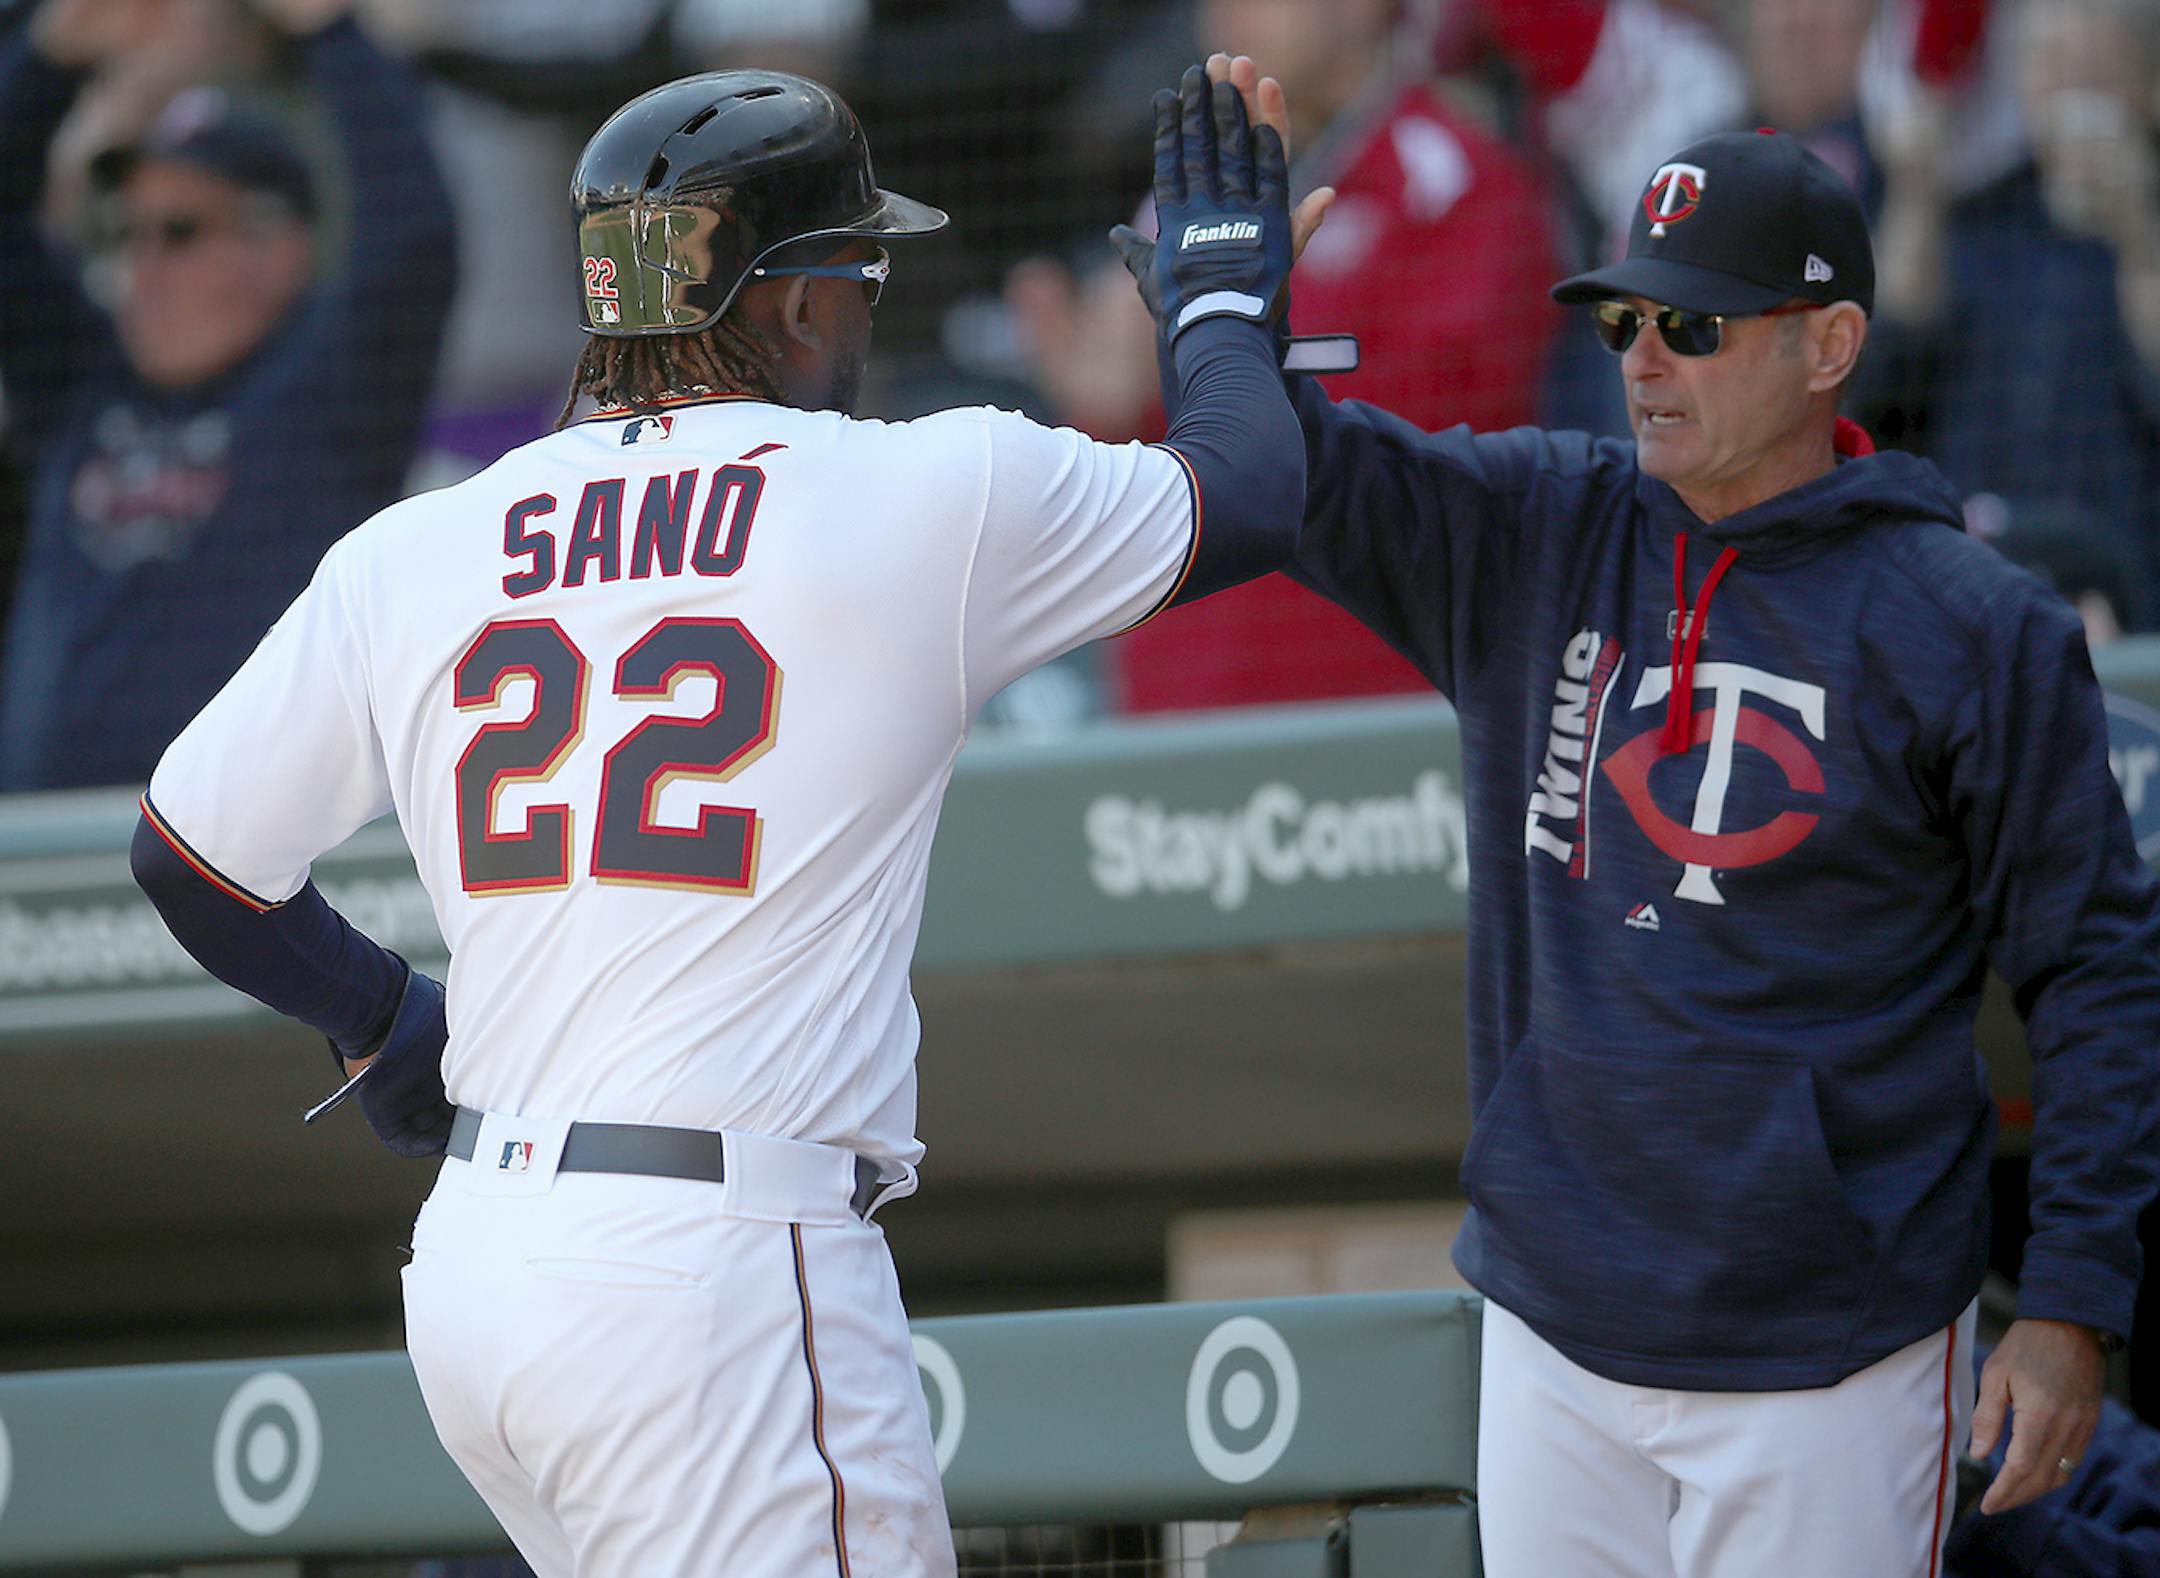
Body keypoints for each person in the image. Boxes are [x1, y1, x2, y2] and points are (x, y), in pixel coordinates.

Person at [131, 65, 1305, 1576]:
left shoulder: (417, 545)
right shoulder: (917, 492)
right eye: (855, 272)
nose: (868, 308)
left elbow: (191, 855)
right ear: (792, 300)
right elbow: (1255, 490)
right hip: (720, 1277)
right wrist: (1218, 304)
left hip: (486, 1274)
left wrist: (380, 1016)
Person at [1135, 54, 2160, 1578]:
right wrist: (1228, 319)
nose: (1643, 359)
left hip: (1837, 1349)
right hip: (1556, 1325)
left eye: (1693, 324)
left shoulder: (1974, 622)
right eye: (1624, 320)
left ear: (1832, 344)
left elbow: (2099, 976)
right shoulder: (1539, 524)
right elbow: (1308, 478)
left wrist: (2072, 1307)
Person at [1012, 0, 1562, 712]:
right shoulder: (1191, 193)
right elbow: (1158, 451)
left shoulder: (1458, 180)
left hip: (1382, 704)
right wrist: (1100, 400)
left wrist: (1237, 335)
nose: (1228, 13)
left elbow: (1441, 443)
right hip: (1183, 701)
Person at [0, 0, 454, 789]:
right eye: (123, 231)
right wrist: (51, 56)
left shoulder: (331, 392)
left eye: (178, 232)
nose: (141, 263)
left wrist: (328, 31)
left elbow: (412, 237)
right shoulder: (78, 386)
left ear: (278, 250)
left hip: (243, 884)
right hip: (46, 874)